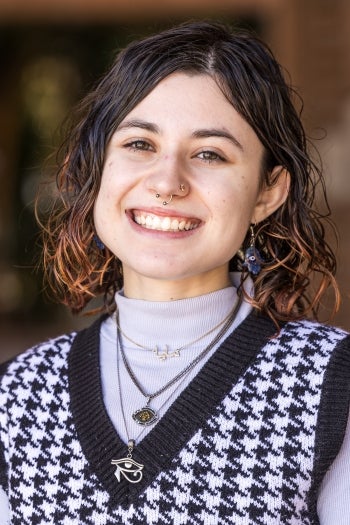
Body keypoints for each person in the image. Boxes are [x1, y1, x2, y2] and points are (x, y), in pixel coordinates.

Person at [0, 20, 349, 525]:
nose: (167, 182)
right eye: (140, 144)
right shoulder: (18, 395)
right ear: (96, 167)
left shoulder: (330, 386)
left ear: (267, 192)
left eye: (210, 154)